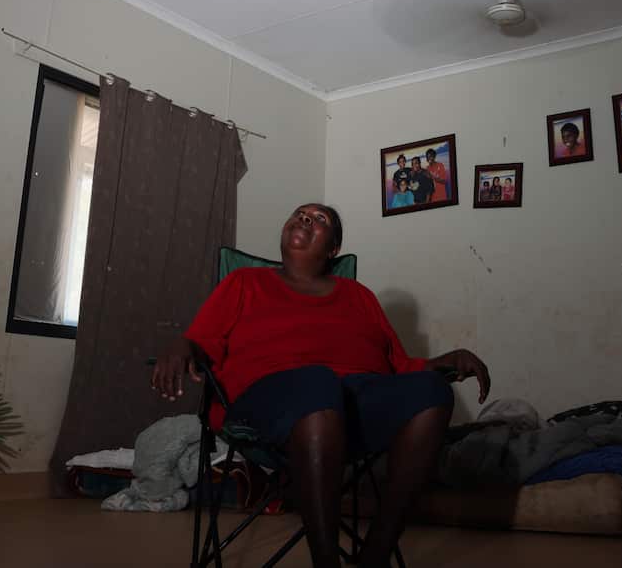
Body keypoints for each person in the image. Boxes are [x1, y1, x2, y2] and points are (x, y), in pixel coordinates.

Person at [152, 204, 490, 568]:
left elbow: (399, 365)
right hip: (266, 402)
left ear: (333, 249)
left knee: (432, 391)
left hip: (353, 404)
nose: (305, 219)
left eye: (320, 219)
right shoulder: (244, 282)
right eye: (299, 214)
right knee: (318, 382)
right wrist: (180, 346)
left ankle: (374, 556)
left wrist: (443, 362)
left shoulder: (359, 296)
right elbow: (200, 341)